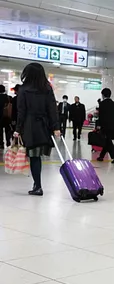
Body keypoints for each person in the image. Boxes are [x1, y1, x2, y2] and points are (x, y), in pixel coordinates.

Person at [13, 63, 60, 196]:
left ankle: (37, 185)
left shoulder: (23, 89)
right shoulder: (47, 88)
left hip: (29, 126)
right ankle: (37, 185)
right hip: (43, 126)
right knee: (37, 156)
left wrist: (18, 129)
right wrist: (56, 127)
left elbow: (21, 111)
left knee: (33, 156)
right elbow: (52, 109)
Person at [97, 88, 114, 164]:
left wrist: (99, 125)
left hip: (105, 126)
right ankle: (101, 156)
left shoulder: (102, 104)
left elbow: (100, 116)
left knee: (108, 141)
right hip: (112, 126)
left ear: (103, 95)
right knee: (107, 141)